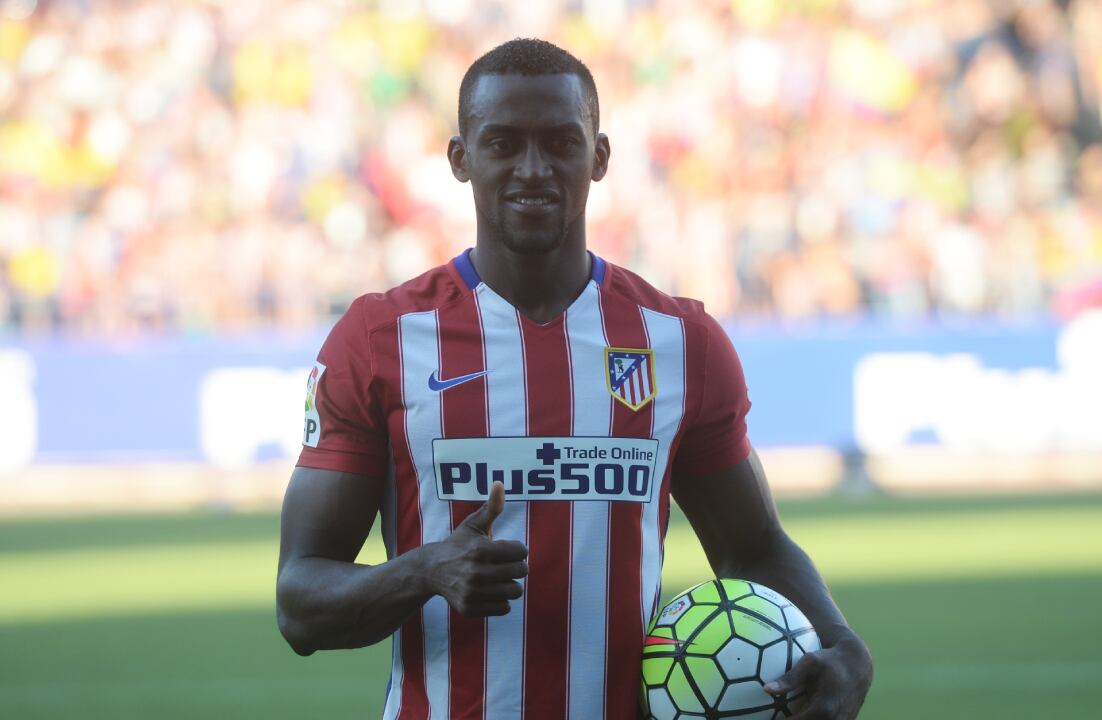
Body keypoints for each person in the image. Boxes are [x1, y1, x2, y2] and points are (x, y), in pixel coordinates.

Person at [276, 38, 873, 720]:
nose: (533, 169)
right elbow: (300, 603)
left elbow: (752, 546)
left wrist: (843, 643)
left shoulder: (680, 343)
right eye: (503, 143)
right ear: (460, 159)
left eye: (561, 142)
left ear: (600, 157)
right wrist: (426, 569)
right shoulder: (381, 340)